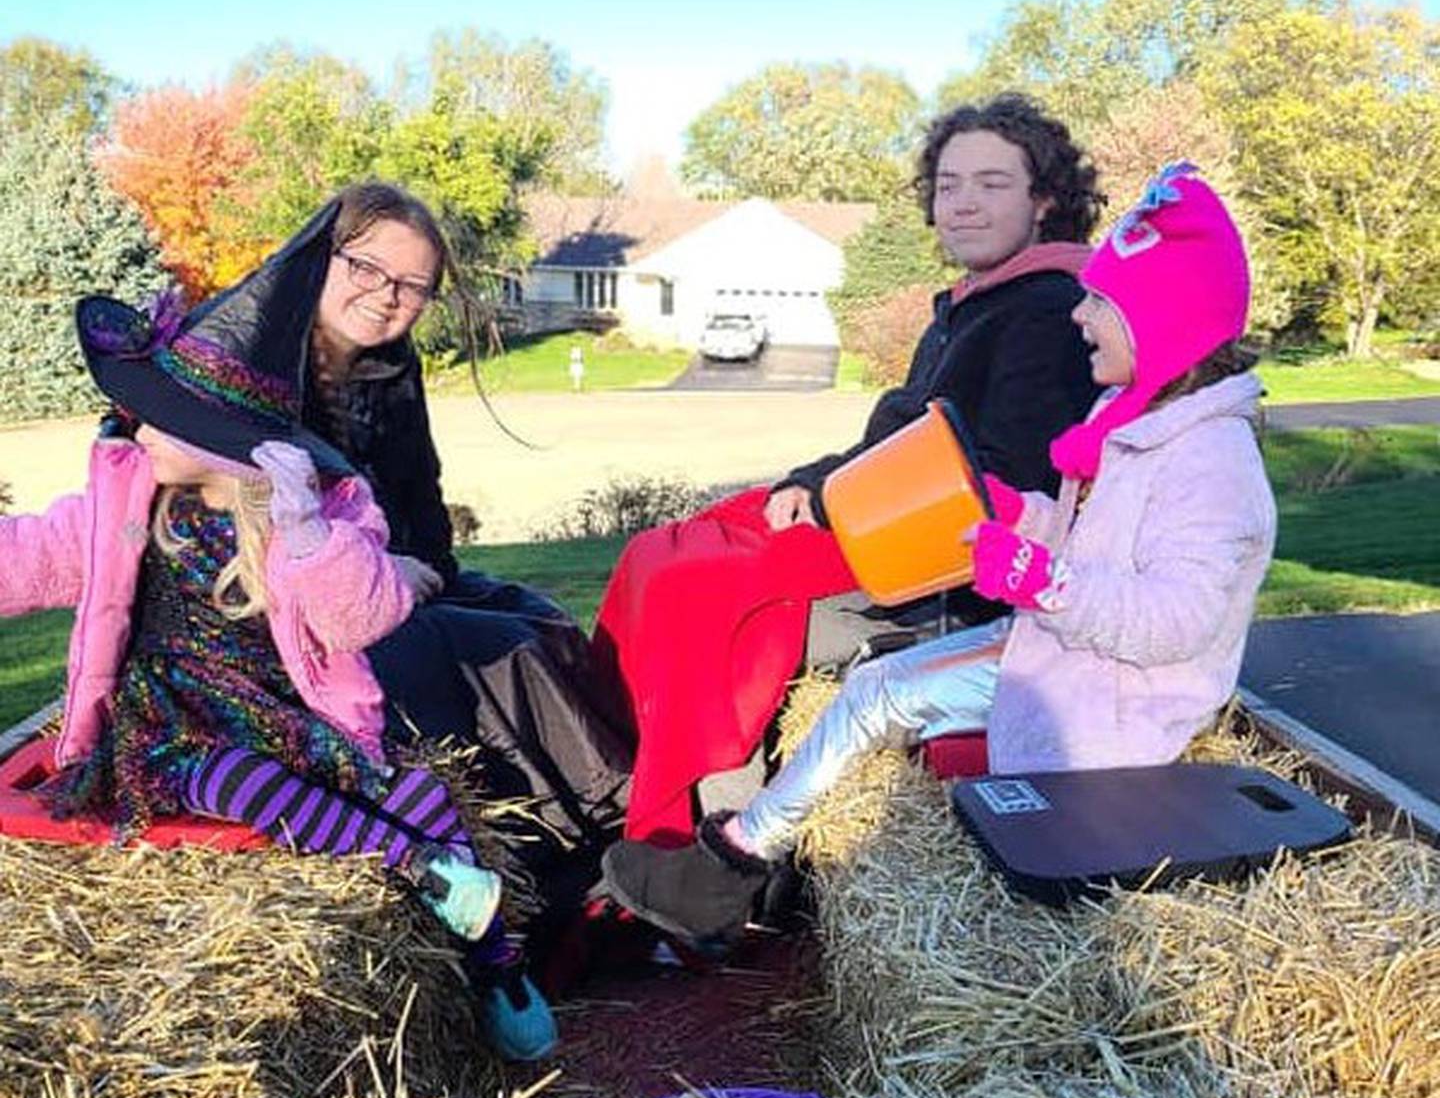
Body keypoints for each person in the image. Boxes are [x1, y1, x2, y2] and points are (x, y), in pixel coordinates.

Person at [601, 163, 1278, 947]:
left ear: (1162, 325)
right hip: (1067, 652)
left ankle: (731, 866)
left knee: (876, 697)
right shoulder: (1132, 423)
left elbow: (1174, 622)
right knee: (873, 686)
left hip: (1117, 693)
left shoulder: (1211, 462)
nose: (1081, 316)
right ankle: (738, 857)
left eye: (1102, 303)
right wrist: (1022, 515)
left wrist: (1042, 579)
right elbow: (1090, 541)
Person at [0, 291, 556, 1061]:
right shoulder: (127, 505)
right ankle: (422, 871)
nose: (139, 427)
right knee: (232, 781)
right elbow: (26, 554)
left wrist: (309, 537)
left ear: (224, 440)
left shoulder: (316, 520)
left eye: (162, 416)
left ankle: (499, 965)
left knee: (416, 794)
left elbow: (361, 616)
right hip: (169, 728)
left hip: (279, 714)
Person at [594, 94, 1104, 845]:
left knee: (691, 585)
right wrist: (809, 481)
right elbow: (894, 439)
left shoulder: (1048, 310)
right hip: (880, 519)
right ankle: (617, 765)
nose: (962, 203)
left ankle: (696, 829)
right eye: (949, 184)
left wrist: (835, 501)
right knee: (664, 547)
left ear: (1045, 201)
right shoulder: (970, 304)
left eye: (993, 184)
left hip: (944, 567)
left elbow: (995, 480)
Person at [175, 184, 634, 964]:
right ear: (326, 253)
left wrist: (433, 572)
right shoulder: (244, 353)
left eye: (412, 286)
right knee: (498, 656)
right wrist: (397, 579)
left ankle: (617, 826)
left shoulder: (388, 363)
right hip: (279, 619)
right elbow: (212, 513)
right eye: (368, 268)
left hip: (386, 572)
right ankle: (575, 863)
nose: (387, 297)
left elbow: (418, 488)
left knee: (538, 620)